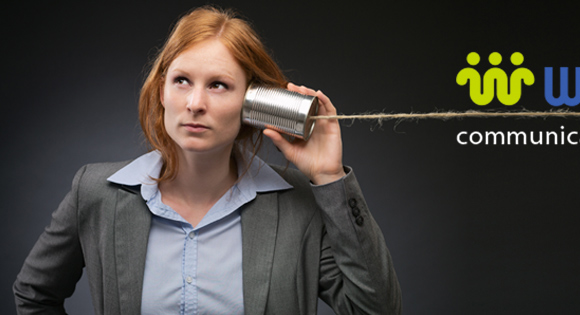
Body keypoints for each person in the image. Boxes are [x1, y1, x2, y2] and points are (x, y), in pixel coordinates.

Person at [13, 6, 401, 315]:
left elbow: (377, 310)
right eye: (182, 80)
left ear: (253, 104)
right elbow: (34, 295)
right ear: (161, 91)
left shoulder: (302, 205)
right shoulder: (95, 192)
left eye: (218, 85)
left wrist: (330, 176)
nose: (195, 104)